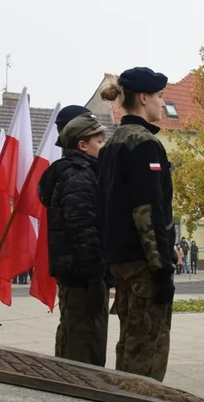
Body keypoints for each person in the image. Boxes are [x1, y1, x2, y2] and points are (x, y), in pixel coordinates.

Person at [97, 67, 176, 382]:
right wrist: (162, 267)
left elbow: (101, 207)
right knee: (148, 348)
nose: (162, 103)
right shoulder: (145, 145)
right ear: (143, 98)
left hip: (120, 261)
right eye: (159, 96)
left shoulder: (111, 146)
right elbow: (148, 210)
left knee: (129, 341)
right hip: (144, 264)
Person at [38, 110, 110, 366]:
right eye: (99, 141)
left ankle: (67, 387)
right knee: (86, 343)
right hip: (83, 275)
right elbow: (84, 230)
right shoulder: (79, 176)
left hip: (76, 273)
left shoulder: (74, 172)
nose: (104, 146)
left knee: (72, 333)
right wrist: (96, 276)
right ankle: (83, 397)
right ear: (82, 145)